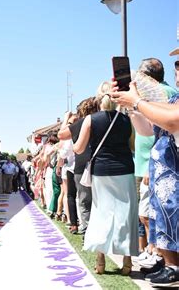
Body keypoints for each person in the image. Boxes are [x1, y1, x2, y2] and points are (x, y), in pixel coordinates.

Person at [111, 67, 179, 287]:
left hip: (172, 164)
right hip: (164, 163)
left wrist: (137, 102)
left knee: (170, 212)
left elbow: (172, 121)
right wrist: (132, 105)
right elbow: (147, 129)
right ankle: (170, 262)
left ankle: (173, 266)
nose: (177, 70)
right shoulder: (174, 96)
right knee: (162, 213)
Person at [73, 81, 138, 276]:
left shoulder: (91, 119)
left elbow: (79, 149)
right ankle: (127, 262)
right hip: (125, 169)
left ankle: (100, 260)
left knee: (101, 212)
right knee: (125, 214)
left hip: (101, 171)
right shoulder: (127, 120)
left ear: (99, 98)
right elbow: (132, 146)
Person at [58, 97, 99, 235]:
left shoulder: (81, 123)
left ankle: (89, 232)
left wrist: (66, 120)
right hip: (100, 165)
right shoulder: (102, 120)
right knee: (98, 201)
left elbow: (61, 135)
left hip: (82, 166)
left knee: (84, 201)